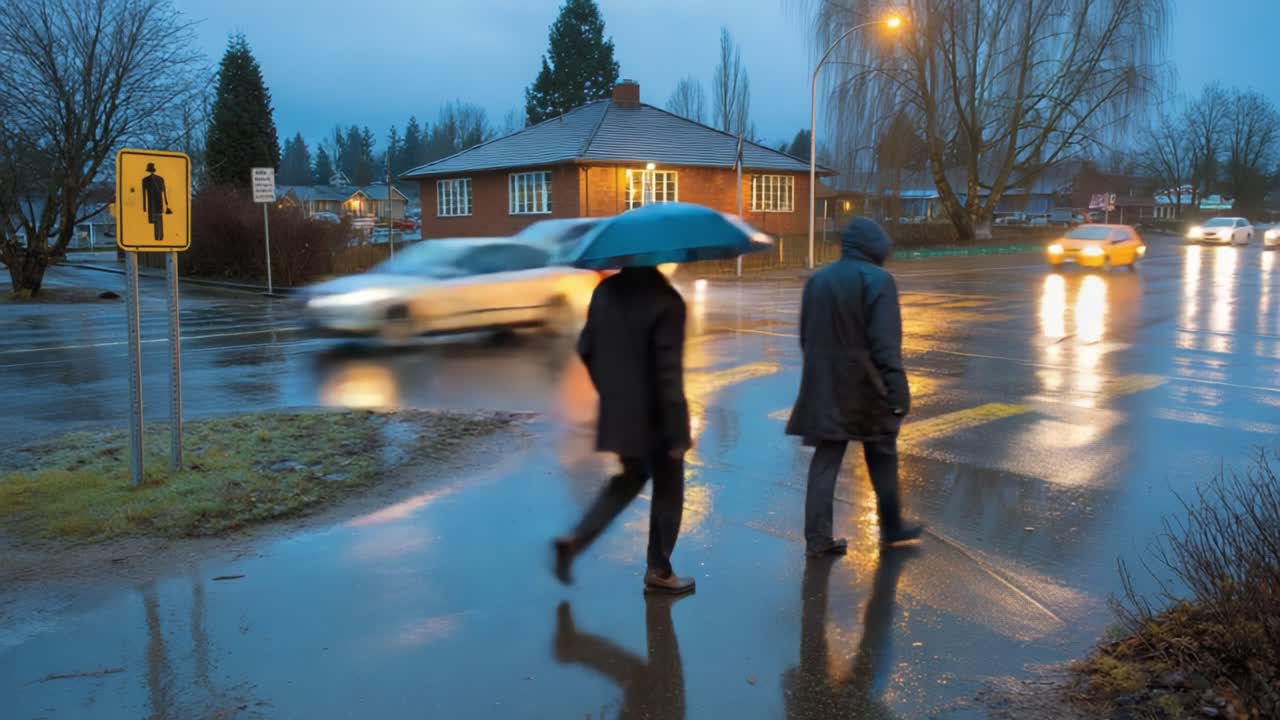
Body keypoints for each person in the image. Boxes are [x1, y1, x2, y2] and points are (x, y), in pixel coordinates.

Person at [553, 265, 695, 595]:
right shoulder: (667, 300)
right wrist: (677, 431)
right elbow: (668, 372)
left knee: (630, 478)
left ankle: (575, 540)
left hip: (619, 407)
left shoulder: (605, 291)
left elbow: (586, 347)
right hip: (660, 415)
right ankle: (659, 570)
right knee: (669, 487)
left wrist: (610, 391)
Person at [786, 217, 924, 557]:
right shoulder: (878, 281)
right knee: (882, 456)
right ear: (875, 246)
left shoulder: (818, 280)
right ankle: (892, 529)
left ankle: (818, 540)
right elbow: (885, 344)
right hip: (866, 388)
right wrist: (897, 389)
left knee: (826, 460)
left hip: (824, 384)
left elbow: (806, 335)